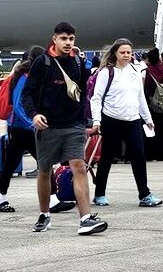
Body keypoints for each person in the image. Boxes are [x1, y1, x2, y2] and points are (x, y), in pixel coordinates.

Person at [22, 21, 107, 235]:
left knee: (79, 166)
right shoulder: (43, 63)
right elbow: (27, 93)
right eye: (64, 39)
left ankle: (86, 218)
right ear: (54, 39)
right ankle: (44, 214)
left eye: (71, 39)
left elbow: (87, 88)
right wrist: (34, 115)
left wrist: (88, 120)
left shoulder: (78, 63)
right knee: (44, 171)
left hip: (74, 126)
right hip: (48, 127)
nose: (68, 43)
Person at [0, 46, 76, 213]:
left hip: (28, 128)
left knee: (43, 163)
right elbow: (19, 105)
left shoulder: (35, 77)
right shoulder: (24, 78)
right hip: (21, 129)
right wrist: (33, 122)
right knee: (15, 164)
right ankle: (2, 198)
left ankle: (52, 199)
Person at [89, 38, 162, 208]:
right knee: (107, 157)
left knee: (138, 156)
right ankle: (99, 193)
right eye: (122, 52)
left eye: (129, 52)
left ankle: (144, 194)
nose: (126, 55)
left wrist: (148, 119)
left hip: (133, 120)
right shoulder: (106, 72)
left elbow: (140, 97)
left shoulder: (135, 71)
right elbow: (96, 98)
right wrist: (96, 120)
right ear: (115, 53)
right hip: (111, 119)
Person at [143, 48, 163, 161]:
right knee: (162, 127)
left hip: (149, 101)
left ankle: (150, 153)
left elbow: (144, 86)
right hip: (161, 100)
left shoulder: (146, 70)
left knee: (150, 126)